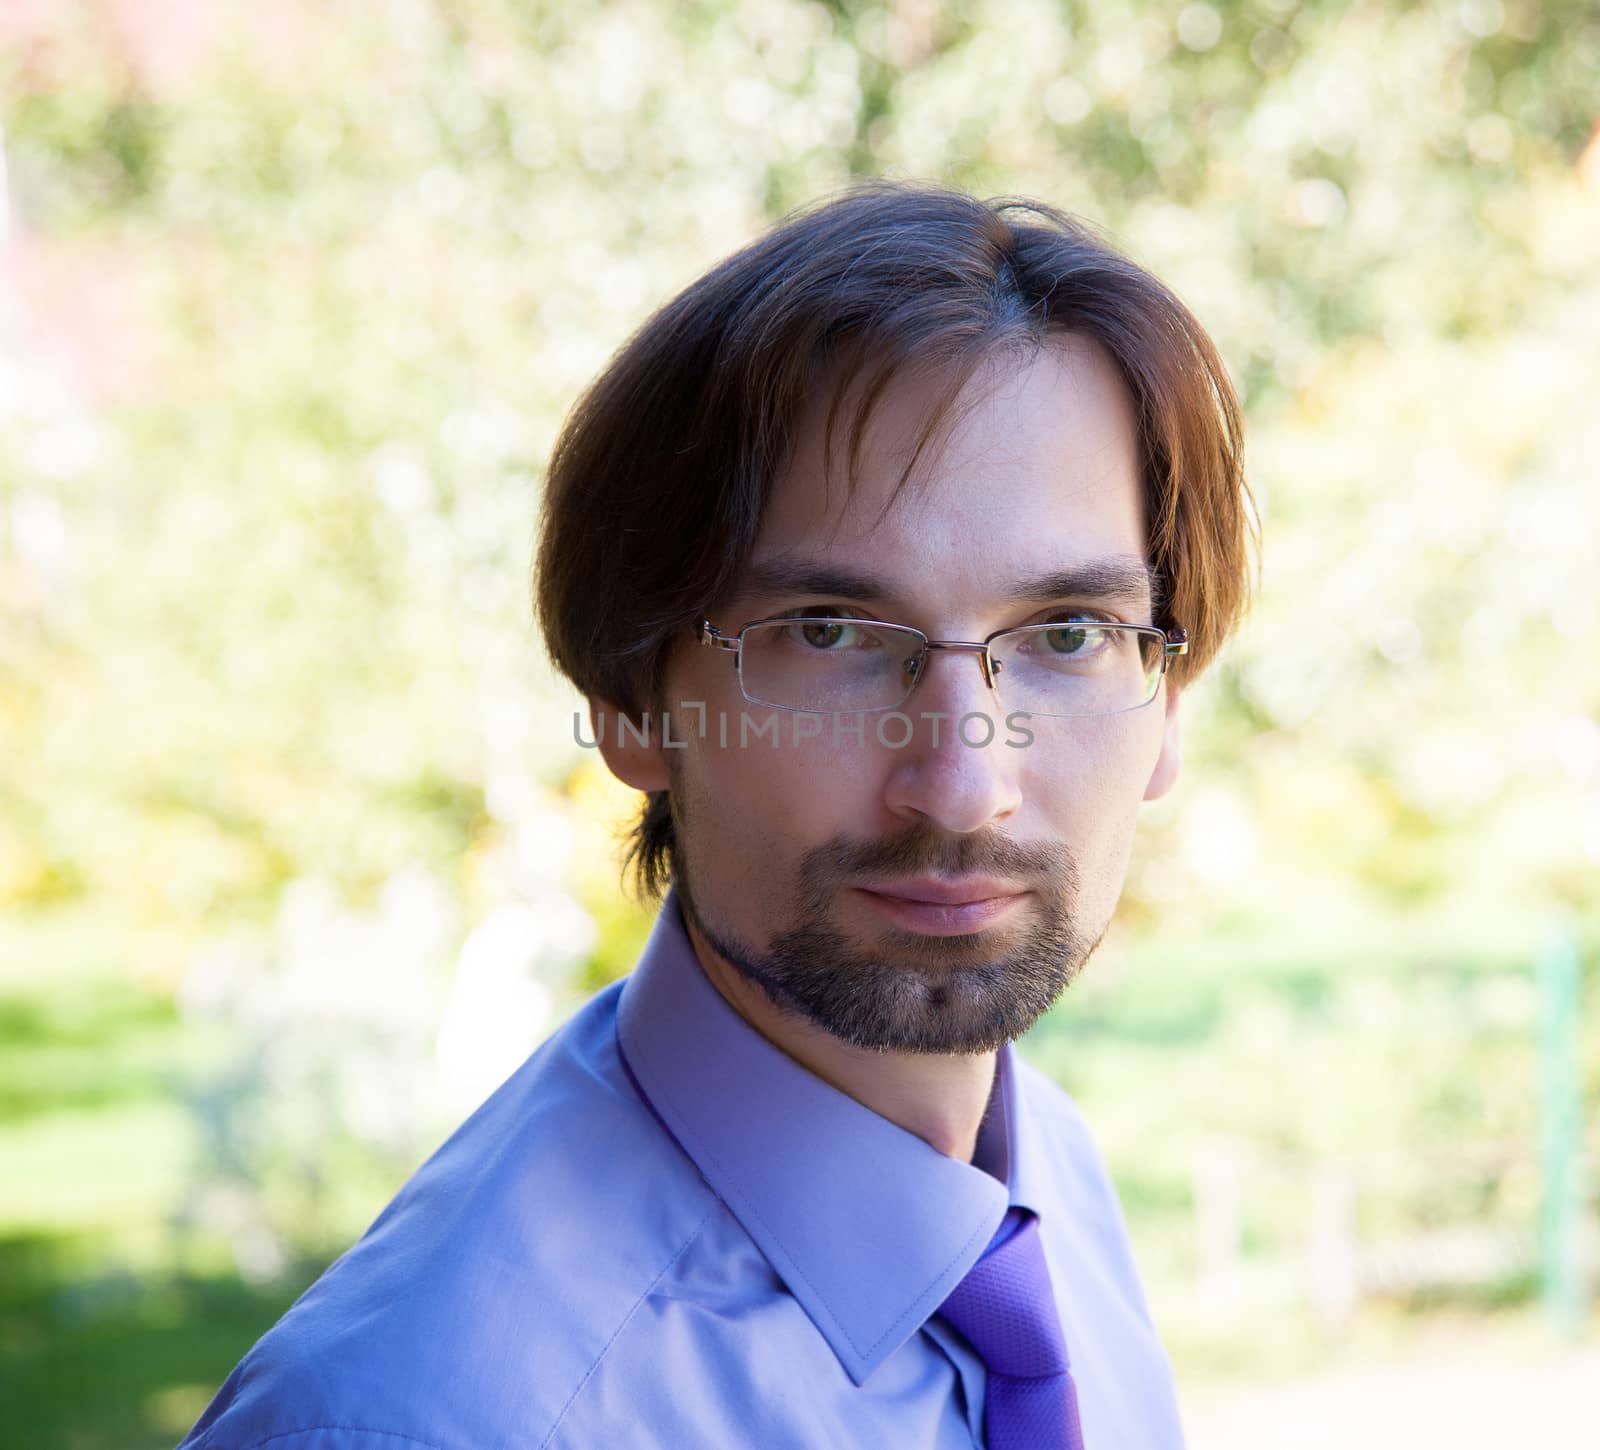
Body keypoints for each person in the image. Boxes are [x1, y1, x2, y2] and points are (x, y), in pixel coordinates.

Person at [177, 182, 1251, 1449]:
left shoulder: (1043, 1183)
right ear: (634, 705)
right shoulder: (435, 1416)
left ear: (1166, 700)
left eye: (1065, 633)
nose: (964, 780)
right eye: (829, 634)